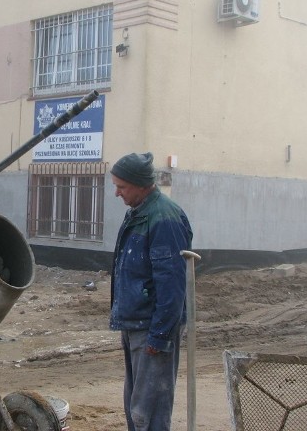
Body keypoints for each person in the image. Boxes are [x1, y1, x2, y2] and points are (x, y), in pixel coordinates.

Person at [110, 152, 193, 431]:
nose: (117, 193)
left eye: (122, 187)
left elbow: (172, 285)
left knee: (150, 411)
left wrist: (159, 336)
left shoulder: (163, 218)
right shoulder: (140, 212)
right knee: (137, 408)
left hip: (151, 327)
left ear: (142, 184)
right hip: (136, 322)